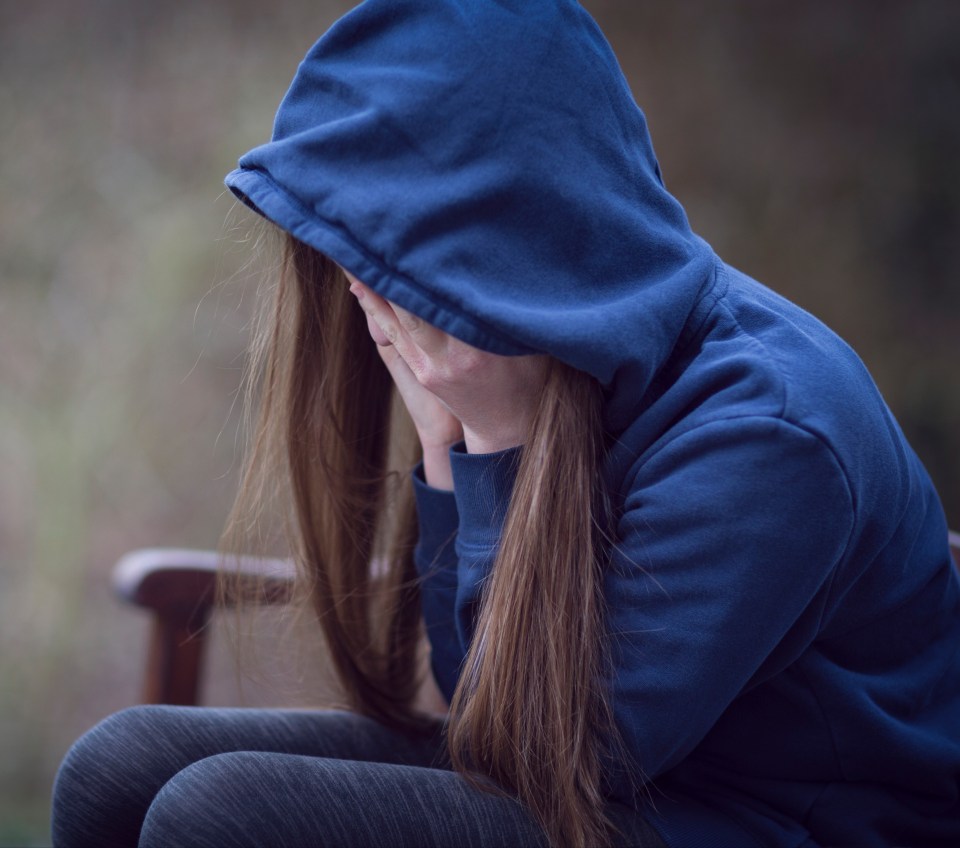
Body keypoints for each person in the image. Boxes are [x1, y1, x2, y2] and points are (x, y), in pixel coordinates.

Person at [51, 1, 960, 846]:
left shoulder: (770, 433)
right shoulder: (555, 362)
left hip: (773, 817)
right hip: (607, 768)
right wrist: (448, 450)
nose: (370, 300)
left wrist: (496, 444)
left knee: (219, 818)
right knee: (119, 765)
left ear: (515, 237)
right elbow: (476, 698)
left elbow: (557, 762)